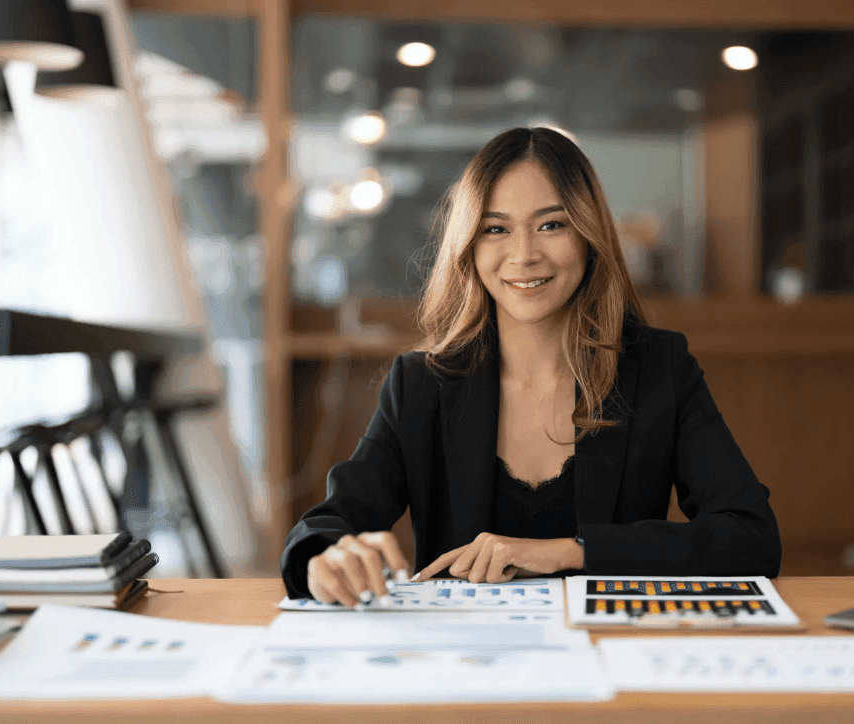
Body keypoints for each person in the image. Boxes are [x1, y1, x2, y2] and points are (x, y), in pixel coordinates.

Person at [281, 127, 781, 605]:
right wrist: (322, 559)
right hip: (467, 664)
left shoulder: (659, 368)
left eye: (551, 224)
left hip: (610, 651)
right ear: (469, 247)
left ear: (588, 235)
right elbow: (331, 522)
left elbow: (750, 536)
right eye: (496, 229)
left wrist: (574, 551)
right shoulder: (421, 384)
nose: (523, 255)